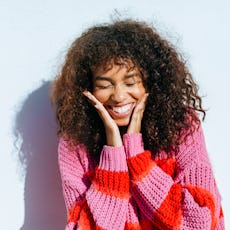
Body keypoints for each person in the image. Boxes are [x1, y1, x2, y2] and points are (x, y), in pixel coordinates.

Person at [51, 19, 224, 229]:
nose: (119, 96)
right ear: (87, 89)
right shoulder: (75, 146)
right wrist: (113, 154)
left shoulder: (181, 127)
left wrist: (136, 157)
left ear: (151, 81)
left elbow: (199, 222)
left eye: (131, 82)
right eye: (104, 85)